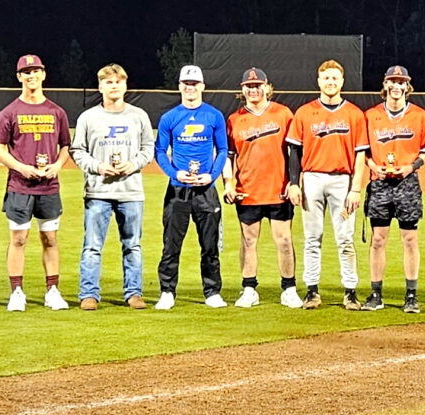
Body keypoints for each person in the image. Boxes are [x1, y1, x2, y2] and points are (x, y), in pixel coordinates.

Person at [284, 59, 369, 310]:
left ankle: (350, 291)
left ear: (342, 82)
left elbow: (361, 155)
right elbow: (294, 152)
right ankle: (311, 290)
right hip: (312, 180)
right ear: (318, 81)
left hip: (343, 182)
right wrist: (294, 183)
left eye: (335, 78)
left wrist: (356, 188)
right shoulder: (304, 112)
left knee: (345, 238)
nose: (330, 82)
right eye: (326, 78)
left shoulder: (354, 114)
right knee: (312, 238)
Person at [70, 63, 155, 311]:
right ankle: (88, 294)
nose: (114, 85)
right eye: (108, 82)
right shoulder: (88, 117)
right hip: (98, 192)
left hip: (131, 191)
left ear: (125, 85)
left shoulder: (138, 115)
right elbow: (77, 151)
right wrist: (97, 166)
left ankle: (134, 293)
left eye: (118, 81)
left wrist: (133, 164)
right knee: (93, 246)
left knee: (133, 245)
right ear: (100, 86)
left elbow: (148, 148)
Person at [0, 54, 72, 311]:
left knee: (50, 238)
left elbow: (65, 146)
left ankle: (52, 290)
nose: (31, 76)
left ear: (43, 74)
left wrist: (58, 166)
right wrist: (21, 168)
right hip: (19, 186)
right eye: (26, 72)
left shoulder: (56, 112)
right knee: (18, 239)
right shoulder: (9, 112)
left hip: (49, 187)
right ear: (19, 77)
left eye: (36, 71)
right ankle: (16, 291)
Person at [222, 67, 303, 308]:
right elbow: (228, 155)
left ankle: (289, 288)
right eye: (249, 86)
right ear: (242, 89)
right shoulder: (235, 119)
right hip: (247, 190)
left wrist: (294, 182)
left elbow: (295, 151)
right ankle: (249, 288)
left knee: (285, 240)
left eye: (258, 85)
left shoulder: (284, 114)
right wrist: (228, 183)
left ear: (267, 87)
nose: (253, 90)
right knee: (248, 241)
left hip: (278, 189)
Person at [360, 65, 425, 313]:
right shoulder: (370, 115)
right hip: (379, 183)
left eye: (400, 82)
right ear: (385, 85)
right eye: (392, 81)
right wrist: (373, 166)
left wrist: (410, 167)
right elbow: (364, 152)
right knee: (378, 239)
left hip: (407, 183)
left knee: (410, 239)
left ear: (407, 86)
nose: (396, 86)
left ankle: (411, 295)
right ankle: (375, 293)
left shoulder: (420, 116)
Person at [154, 65, 228, 310]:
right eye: (186, 83)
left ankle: (212, 291)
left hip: (205, 190)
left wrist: (211, 176)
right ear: (179, 87)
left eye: (194, 83)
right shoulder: (170, 117)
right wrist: (176, 173)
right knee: (171, 244)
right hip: (178, 190)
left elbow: (223, 151)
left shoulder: (214, 116)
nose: (190, 87)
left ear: (202, 87)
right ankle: (167, 291)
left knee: (209, 244)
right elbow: (160, 152)